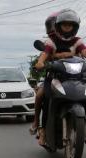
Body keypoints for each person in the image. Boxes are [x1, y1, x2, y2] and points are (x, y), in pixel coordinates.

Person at [30, 9, 86, 145]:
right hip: (56, 77)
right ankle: (40, 127)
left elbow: (84, 51)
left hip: (76, 77)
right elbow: (45, 53)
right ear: (58, 26)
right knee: (42, 96)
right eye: (64, 24)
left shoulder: (77, 41)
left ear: (75, 27)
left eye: (70, 24)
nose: (67, 27)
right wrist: (40, 62)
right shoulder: (51, 41)